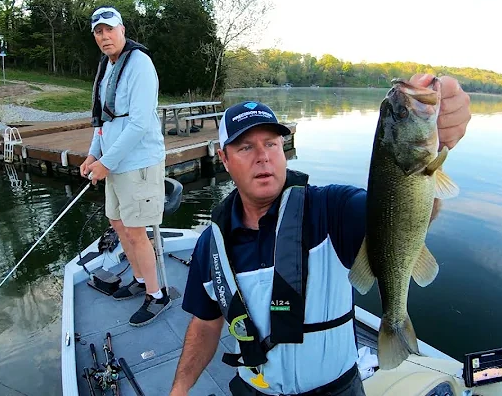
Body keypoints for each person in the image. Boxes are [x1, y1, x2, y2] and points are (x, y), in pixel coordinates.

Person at [169, 74, 471, 395]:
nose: (263, 156)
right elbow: (205, 324)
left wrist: (442, 134)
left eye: (271, 143)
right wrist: (179, 389)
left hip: (338, 388)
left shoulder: (331, 209)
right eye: (245, 147)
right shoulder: (211, 245)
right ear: (224, 159)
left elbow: (398, 216)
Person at [80, 6, 170, 327]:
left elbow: (139, 123)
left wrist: (106, 161)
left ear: (121, 29)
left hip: (139, 163)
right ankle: (140, 279)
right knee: (117, 223)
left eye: (109, 30)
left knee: (135, 231)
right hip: (113, 162)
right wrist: (94, 155)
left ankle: (157, 295)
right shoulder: (108, 65)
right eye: (98, 32)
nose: (104, 37)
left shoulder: (140, 64)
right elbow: (103, 118)